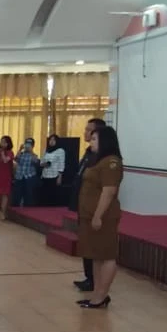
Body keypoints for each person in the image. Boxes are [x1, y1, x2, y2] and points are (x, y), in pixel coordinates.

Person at [76, 126, 122, 309]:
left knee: (107, 255)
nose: (91, 142)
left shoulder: (112, 162)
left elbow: (108, 191)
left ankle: (102, 296)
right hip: (89, 215)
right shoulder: (97, 160)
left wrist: (98, 216)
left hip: (104, 217)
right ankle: (96, 293)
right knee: (95, 255)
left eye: (95, 139)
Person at [69, 118, 106, 292]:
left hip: (92, 206)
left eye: (89, 130)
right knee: (84, 242)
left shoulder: (101, 157)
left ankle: (95, 280)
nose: (85, 132)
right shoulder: (88, 152)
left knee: (92, 244)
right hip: (82, 204)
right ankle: (88, 277)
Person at [11, 138, 40, 208]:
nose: (27, 146)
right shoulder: (21, 154)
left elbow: (36, 162)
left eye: (29, 145)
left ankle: (27, 210)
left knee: (28, 195)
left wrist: (31, 151)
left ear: (33, 146)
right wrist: (20, 149)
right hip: (19, 176)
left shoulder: (34, 155)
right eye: (26, 144)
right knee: (17, 194)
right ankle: (16, 209)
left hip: (29, 177)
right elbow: (15, 159)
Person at [40, 135, 66, 207]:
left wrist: (60, 177)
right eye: (50, 140)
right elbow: (41, 162)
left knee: (53, 195)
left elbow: (61, 164)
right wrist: (45, 164)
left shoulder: (60, 151)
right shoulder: (46, 150)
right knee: (45, 195)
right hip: (45, 175)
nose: (51, 141)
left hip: (54, 175)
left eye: (53, 140)